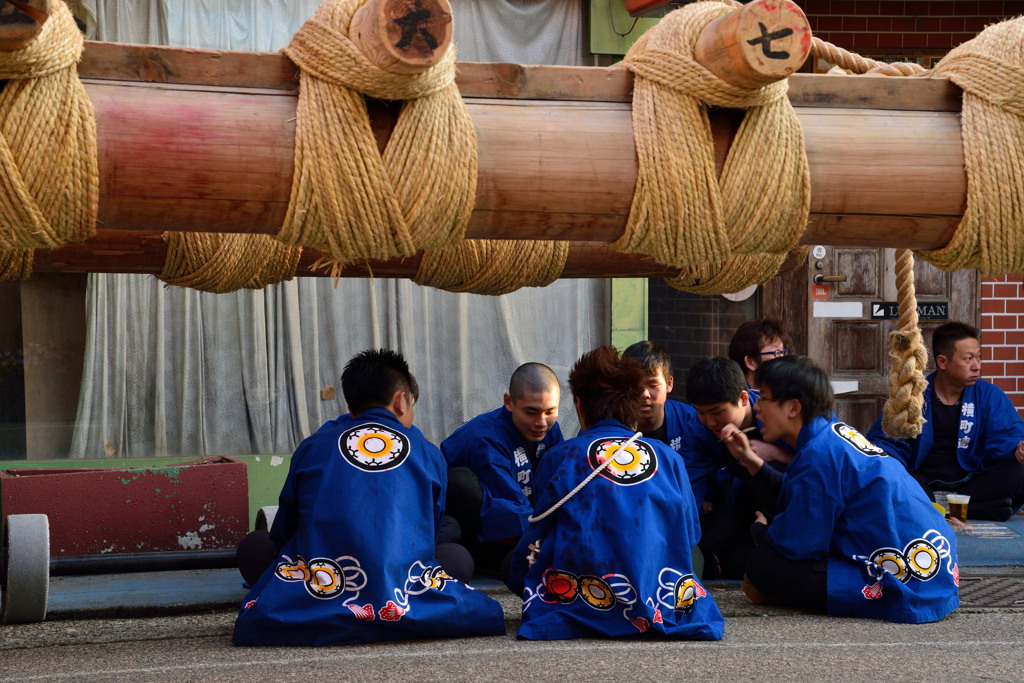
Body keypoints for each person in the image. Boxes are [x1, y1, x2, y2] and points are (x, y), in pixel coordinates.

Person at [233, 349, 506, 646]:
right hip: (401, 585)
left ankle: (325, 608)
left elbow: (285, 526)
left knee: (255, 546)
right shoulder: (426, 451)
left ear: (351, 408)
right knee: (456, 558)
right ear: (402, 401)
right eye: (412, 406)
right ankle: (395, 612)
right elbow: (429, 531)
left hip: (324, 581)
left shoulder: (314, 445)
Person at [719, 355, 959, 623]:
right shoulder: (831, 433)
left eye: (763, 398)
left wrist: (760, 531)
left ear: (793, 407)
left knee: (762, 564)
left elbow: (801, 545)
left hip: (912, 580)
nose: (758, 408)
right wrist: (752, 462)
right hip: (937, 565)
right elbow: (793, 497)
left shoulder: (819, 455)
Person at [508, 346, 724, 640]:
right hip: (655, 591)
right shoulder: (667, 457)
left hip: (583, 594)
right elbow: (690, 533)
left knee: (513, 564)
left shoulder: (561, 456)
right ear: (633, 405)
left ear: (580, 405)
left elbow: (537, 538)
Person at [867, 321, 1024, 522]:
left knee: (1019, 471)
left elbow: (1007, 435)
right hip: (924, 482)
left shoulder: (989, 395)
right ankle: (974, 509)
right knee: (893, 475)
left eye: (978, 357)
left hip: (972, 483)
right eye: (968, 359)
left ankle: (937, 508)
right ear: (942, 362)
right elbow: (888, 441)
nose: (977, 366)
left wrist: (1016, 449)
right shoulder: (914, 396)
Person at [441, 362, 563, 575]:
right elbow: (509, 508)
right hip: (480, 528)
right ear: (509, 402)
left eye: (550, 411)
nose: (541, 422)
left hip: (524, 516)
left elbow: (558, 481)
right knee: (461, 483)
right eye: (531, 412)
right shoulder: (484, 439)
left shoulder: (549, 429)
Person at [684, 356, 793, 578]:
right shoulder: (699, 429)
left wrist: (780, 454)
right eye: (701, 412)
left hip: (792, 499)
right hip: (742, 504)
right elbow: (690, 486)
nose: (710, 422)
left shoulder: (777, 412)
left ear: (743, 398)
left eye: (717, 411)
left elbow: (821, 461)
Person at [620, 341, 718, 509]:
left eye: (653, 385)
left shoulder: (692, 421)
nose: (645, 394)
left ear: (669, 384)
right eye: (636, 386)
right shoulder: (609, 427)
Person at [727, 318, 791, 395]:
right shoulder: (738, 401)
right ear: (751, 362)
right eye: (776, 353)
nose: (783, 359)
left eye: (783, 352)